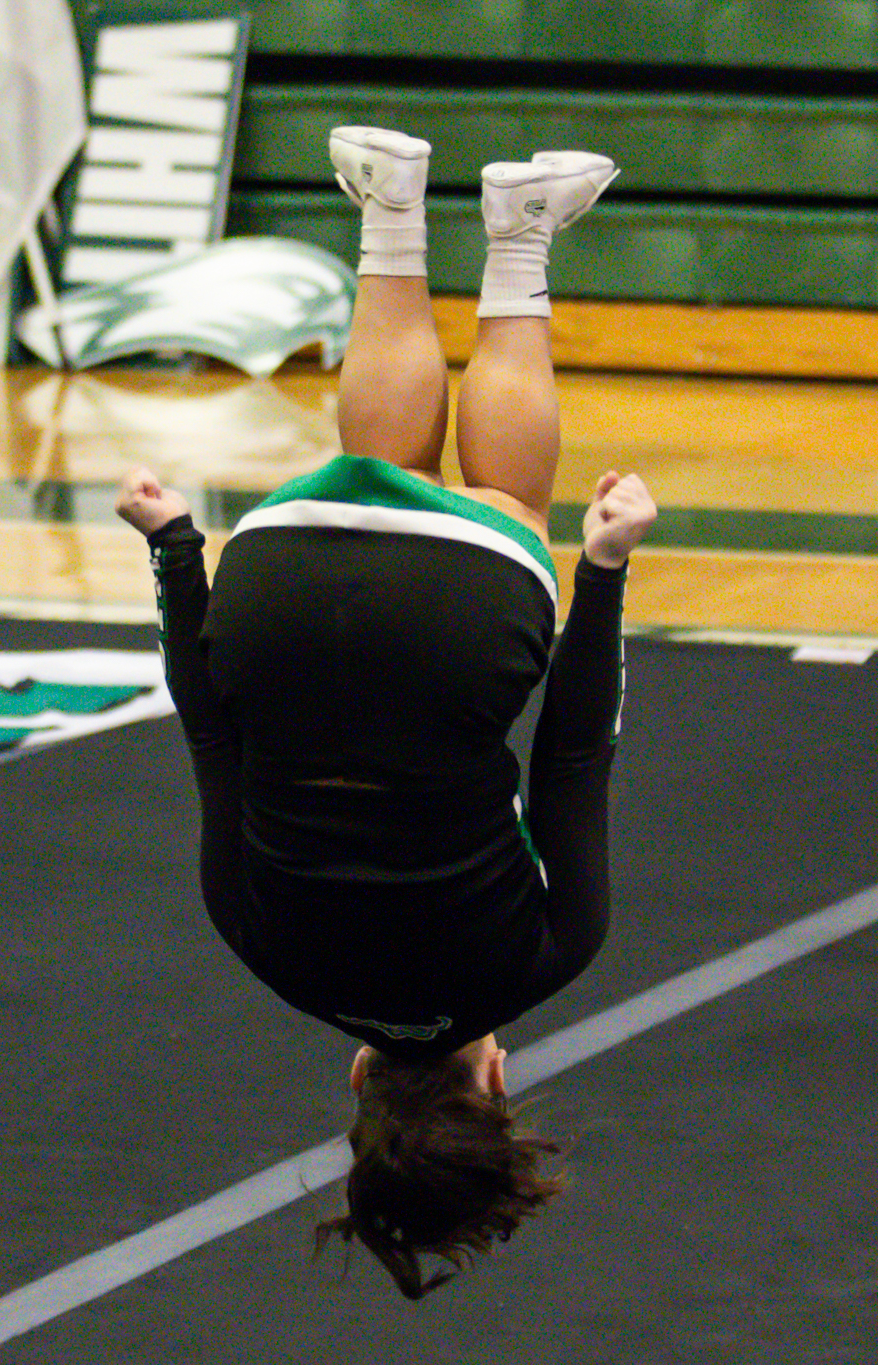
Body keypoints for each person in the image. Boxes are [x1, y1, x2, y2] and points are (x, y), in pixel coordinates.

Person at [115, 126, 657, 1297]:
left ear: (496, 1083)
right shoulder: (259, 945)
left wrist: (605, 571)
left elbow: (573, 756)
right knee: (374, 467)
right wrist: (174, 556)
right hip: (272, 582)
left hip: (459, 616)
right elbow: (210, 728)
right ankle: (387, 207)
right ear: (360, 1083)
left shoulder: (543, 957)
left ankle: (518, 237)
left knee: (499, 499)